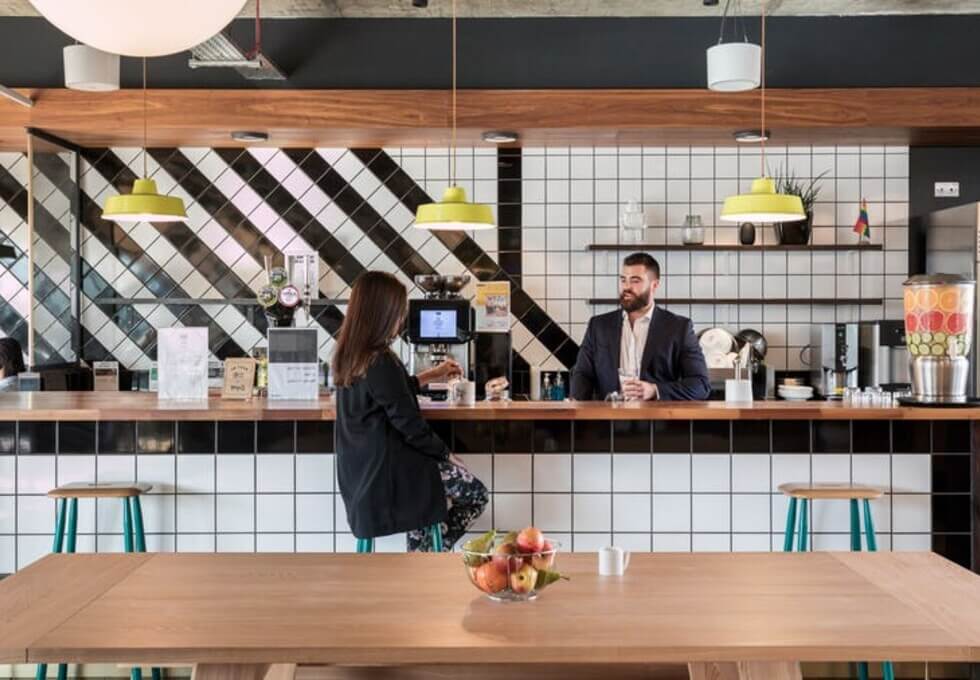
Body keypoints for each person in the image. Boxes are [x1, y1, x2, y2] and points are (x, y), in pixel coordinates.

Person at [332, 271, 489, 551]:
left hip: (363, 474)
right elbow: (410, 425)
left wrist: (433, 374)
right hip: (392, 474)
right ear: (382, 313)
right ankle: (428, 551)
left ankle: (422, 552)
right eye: (398, 312)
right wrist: (446, 454)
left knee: (430, 491)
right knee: (476, 494)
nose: (401, 319)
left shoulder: (352, 356)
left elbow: (391, 393)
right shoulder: (381, 361)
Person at [571, 252, 710, 401]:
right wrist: (576, 408)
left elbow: (701, 385)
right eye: (623, 280)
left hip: (657, 422)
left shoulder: (679, 328)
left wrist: (654, 390)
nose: (627, 287)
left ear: (654, 285)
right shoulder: (598, 326)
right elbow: (582, 375)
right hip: (608, 421)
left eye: (635, 281)